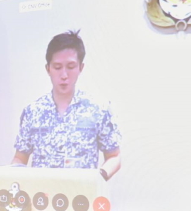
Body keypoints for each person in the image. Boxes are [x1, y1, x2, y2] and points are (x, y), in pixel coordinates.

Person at [11, 30, 121, 180]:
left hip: (82, 198)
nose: (64, 75)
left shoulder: (98, 109)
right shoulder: (33, 111)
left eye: (70, 67)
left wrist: (99, 177)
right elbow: (20, 158)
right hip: (41, 198)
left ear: (80, 68)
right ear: (48, 69)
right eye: (57, 67)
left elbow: (114, 157)